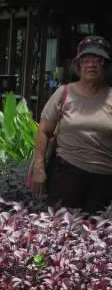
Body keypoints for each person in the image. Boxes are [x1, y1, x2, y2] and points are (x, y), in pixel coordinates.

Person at [31, 36, 112, 213]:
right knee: (61, 230)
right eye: (86, 60)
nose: (92, 65)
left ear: (105, 66)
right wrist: (39, 169)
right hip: (66, 174)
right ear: (78, 65)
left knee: (97, 234)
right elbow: (44, 131)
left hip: (104, 180)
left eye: (98, 60)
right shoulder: (64, 93)